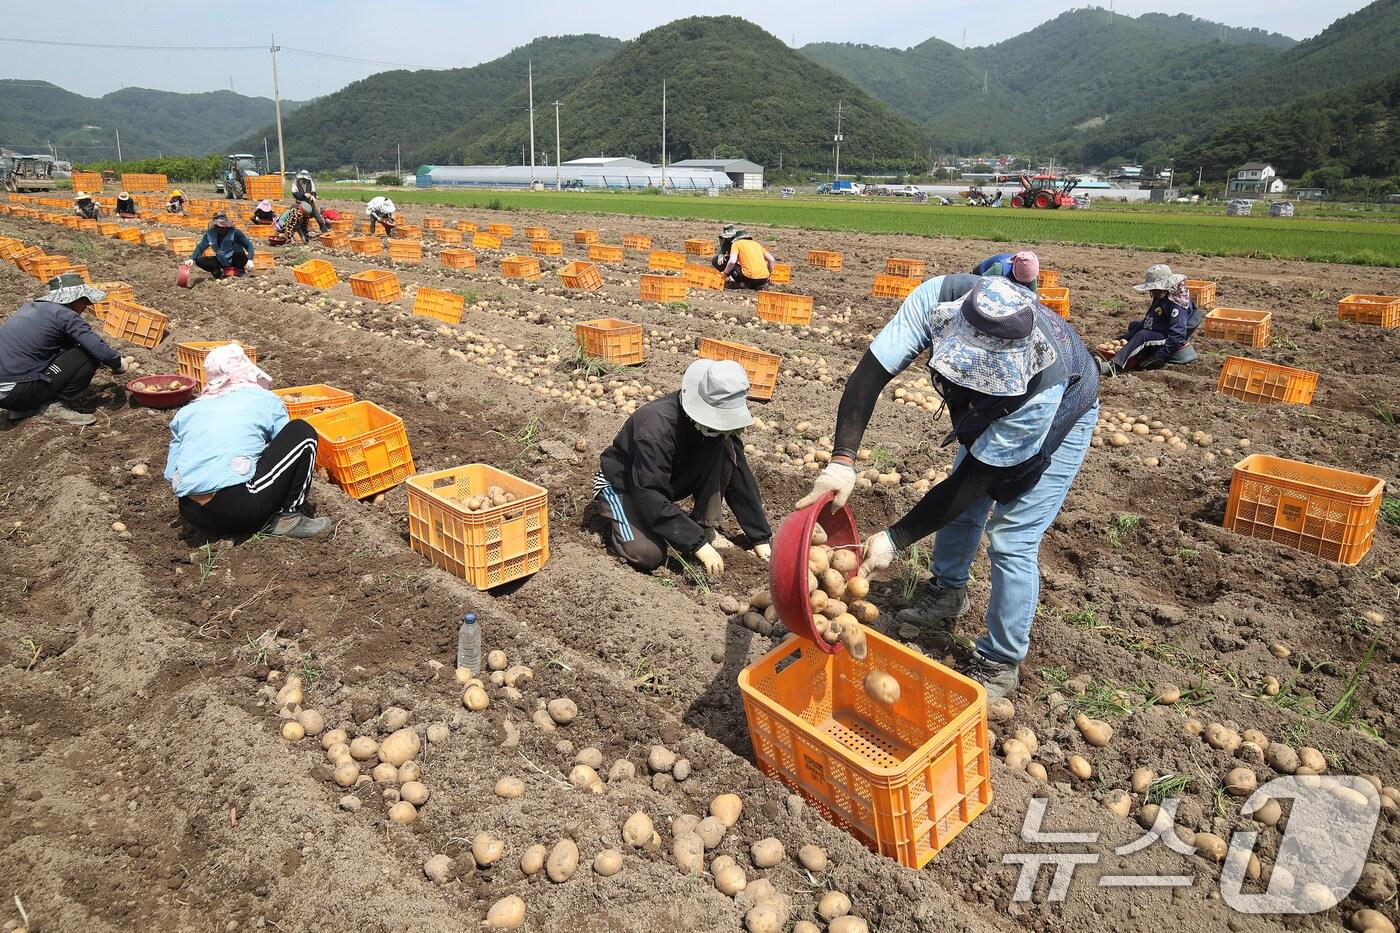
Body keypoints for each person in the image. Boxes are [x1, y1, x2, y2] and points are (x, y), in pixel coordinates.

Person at [797, 276, 1100, 699]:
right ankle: (946, 593)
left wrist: (895, 538)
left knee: (1012, 537)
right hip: (991, 409)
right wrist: (842, 461)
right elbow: (869, 374)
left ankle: (1000, 661)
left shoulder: (1040, 389)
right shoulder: (938, 297)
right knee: (964, 511)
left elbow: (974, 482)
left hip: (1065, 404)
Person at [594, 359, 772, 576]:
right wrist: (697, 545)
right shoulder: (654, 428)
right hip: (626, 486)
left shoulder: (713, 430)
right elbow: (648, 493)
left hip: (665, 481)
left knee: (726, 448)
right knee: (648, 555)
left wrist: (760, 537)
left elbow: (739, 475)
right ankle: (619, 520)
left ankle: (705, 526)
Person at [164, 344, 330, 540]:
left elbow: (170, 474)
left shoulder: (186, 413)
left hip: (191, 512)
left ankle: (224, 522)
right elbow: (285, 449)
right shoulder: (265, 400)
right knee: (301, 431)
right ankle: (289, 518)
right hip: (237, 510)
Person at [0, 273, 135, 426]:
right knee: (88, 354)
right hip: (20, 391)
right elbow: (98, 349)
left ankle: (25, 407)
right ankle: (55, 406)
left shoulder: (31, 309)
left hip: (6, 395)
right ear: (74, 299)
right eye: (85, 300)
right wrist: (118, 363)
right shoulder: (64, 315)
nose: (87, 305)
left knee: (64, 352)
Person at [1105, 264, 1203, 374]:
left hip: (1169, 337)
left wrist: (1158, 356)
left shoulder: (1177, 304)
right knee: (1134, 326)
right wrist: (1126, 338)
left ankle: (1114, 365)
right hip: (1161, 327)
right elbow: (1148, 320)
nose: (1151, 292)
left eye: (1153, 289)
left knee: (1142, 335)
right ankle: (1136, 350)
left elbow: (1177, 334)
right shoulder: (1160, 296)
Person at [183, 212, 255, 279]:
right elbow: (201, 247)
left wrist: (250, 259)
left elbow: (249, 246)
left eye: (224, 227)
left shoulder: (235, 233)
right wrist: (192, 259)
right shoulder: (210, 234)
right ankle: (217, 271)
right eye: (219, 227)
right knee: (199, 261)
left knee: (238, 252)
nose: (222, 229)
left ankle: (240, 271)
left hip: (236, 259)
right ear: (215, 226)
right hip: (221, 260)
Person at [973, 250, 1039, 291]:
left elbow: (1032, 294)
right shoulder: (999, 269)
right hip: (982, 273)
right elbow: (980, 286)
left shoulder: (1031, 276)